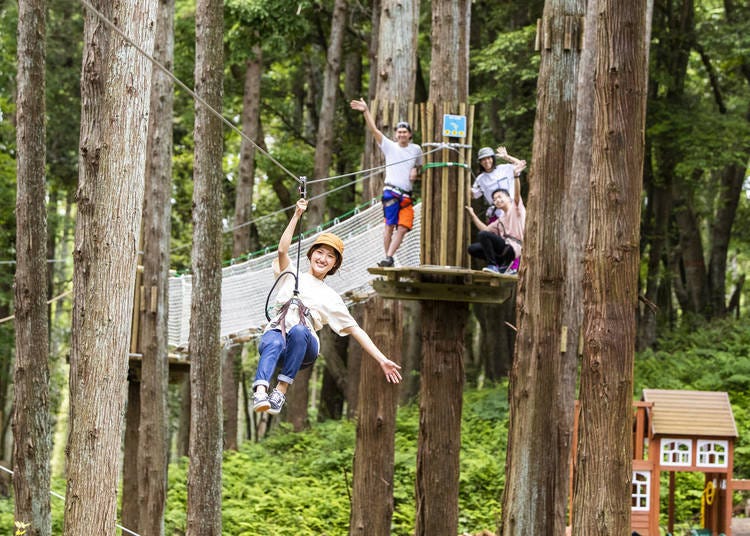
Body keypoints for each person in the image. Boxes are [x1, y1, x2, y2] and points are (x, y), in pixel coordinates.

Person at [253, 198, 403, 415]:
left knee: (299, 330)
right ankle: (260, 391)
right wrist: (296, 215)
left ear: (334, 264)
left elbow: (356, 330)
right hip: (278, 337)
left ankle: (281, 391)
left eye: (330, 256)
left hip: (304, 346)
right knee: (274, 337)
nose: (323, 258)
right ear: (311, 254)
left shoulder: (331, 297)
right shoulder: (291, 274)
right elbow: (282, 250)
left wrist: (382, 360)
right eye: (320, 252)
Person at [350, 98, 423, 267]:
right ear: (396, 134)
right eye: (399, 132)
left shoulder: (416, 149)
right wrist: (366, 111)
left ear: (410, 135)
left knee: (404, 227)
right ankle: (388, 257)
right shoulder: (390, 146)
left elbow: (419, 167)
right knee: (389, 227)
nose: (402, 134)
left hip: (406, 196)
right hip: (391, 192)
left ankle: (389, 256)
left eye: (405, 132)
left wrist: (416, 171)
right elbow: (374, 129)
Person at [465, 188, 526, 274]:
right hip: (504, 250)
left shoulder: (516, 209)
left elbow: (517, 195)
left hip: (513, 248)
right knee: (472, 249)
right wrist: (472, 215)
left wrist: (516, 177)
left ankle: (493, 266)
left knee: (483, 235)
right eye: (494, 199)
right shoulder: (500, 220)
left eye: (499, 197)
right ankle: (502, 265)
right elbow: (485, 230)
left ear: (509, 198)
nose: (497, 200)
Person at [471, 146, 526, 223]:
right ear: (480, 162)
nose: (486, 161)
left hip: (514, 209)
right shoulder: (480, 179)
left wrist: (507, 157)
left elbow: (521, 165)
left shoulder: (505, 169)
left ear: (493, 158)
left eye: (488, 158)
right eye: (483, 159)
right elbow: (473, 195)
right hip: (497, 215)